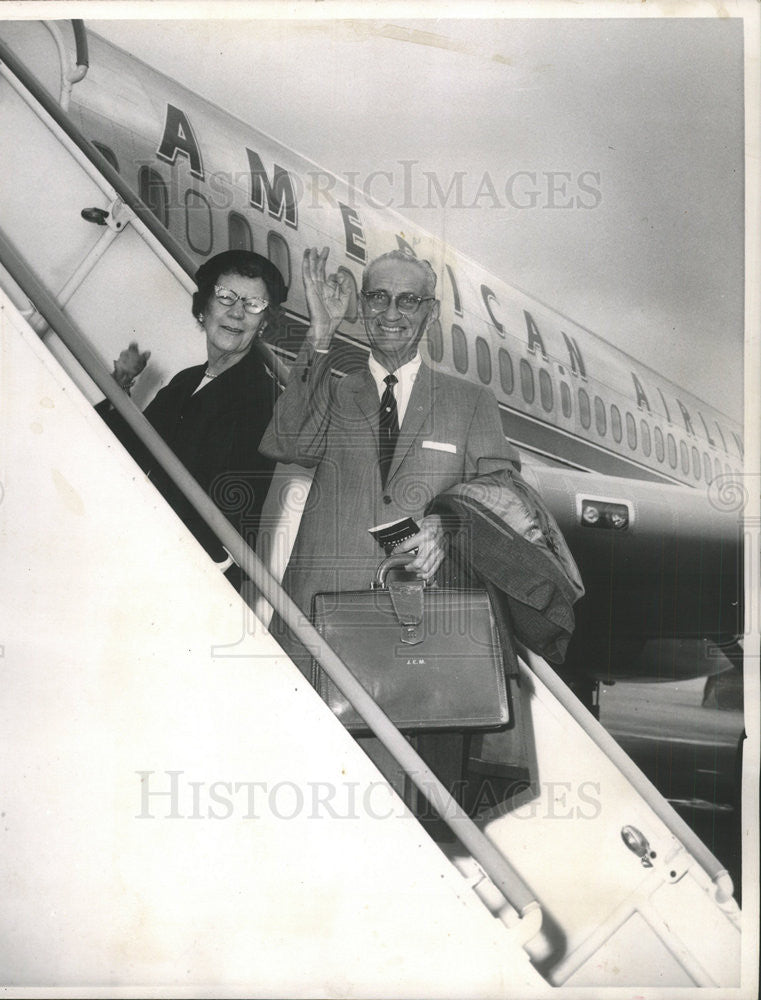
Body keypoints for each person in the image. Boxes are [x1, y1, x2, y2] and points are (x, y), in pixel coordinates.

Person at [260, 246, 521, 808]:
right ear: (362, 306)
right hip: (318, 625)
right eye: (377, 297)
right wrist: (321, 336)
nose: (391, 312)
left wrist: (448, 521)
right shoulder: (331, 387)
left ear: (429, 312)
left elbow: (505, 492)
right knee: (302, 792)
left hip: (417, 634)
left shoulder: (469, 403)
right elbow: (285, 442)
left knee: (402, 806)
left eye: (408, 300)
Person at [102, 249, 286, 589]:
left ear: (263, 324)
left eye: (253, 304)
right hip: (153, 551)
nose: (237, 313)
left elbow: (231, 506)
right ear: (203, 309)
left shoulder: (260, 398)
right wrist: (119, 384)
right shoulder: (187, 381)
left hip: (193, 569)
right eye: (226, 297)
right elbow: (130, 450)